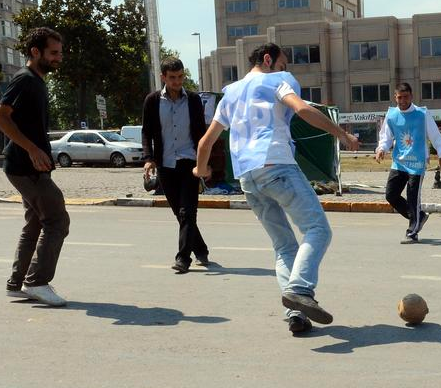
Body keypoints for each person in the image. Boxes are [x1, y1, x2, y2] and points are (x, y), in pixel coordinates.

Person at [193, 43, 359, 335]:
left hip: (247, 177)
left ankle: (296, 313)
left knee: (284, 245)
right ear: (268, 60)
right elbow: (303, 109)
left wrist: (200, 169)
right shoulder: (277, 81)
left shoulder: (229, 93)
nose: (286, 70)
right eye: (283, 64)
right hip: (276, 165)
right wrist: (342, 134)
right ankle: (300, 289)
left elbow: (206, 142)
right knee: (318, 230)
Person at [0, 27, 69, 306]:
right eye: (53, 53)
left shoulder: (36, 81)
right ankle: (37, 281)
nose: (58, 58)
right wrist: (33, 149)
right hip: (25, 167)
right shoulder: (25, 80)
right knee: (58, 220)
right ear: (35, 52)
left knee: (35, 222)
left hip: (29, 164)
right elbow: (1, 119)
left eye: (60, 53)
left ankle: (17, 284)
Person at [142, 57, 209, 274]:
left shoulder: (193, 100)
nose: (177, 82)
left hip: (189, 162)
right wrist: (149, 158)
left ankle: (183, 259)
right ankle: (201, 248)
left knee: (187, 211)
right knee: (179, 213)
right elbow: (147, 132)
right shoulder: (152, 101)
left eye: (180, 77)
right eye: (172, 78)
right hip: (166, 164)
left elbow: (201, 133)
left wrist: (205, 163)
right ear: (163, 77)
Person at [375, 83, 441, 244]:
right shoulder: (392, 115)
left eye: (406, 97)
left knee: (412, 197)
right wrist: (381, 149)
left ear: (411, 96)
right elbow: (386, 137)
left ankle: (412, 232)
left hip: (417, 163)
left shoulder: (422, 114)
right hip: (399, 162)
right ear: (395, 97)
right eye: (399, 97)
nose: (402, 100)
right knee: (391, 195)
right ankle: (419, 217)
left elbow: (435, 135)